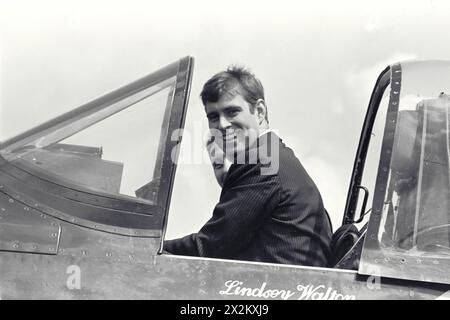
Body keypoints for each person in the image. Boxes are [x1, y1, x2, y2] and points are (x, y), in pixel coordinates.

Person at [164, 66, 332, 267]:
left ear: (259, 111)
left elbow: (209, 246)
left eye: (232, 111)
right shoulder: (273, 154)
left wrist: (149, 248)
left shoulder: (261, 162)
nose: (223, 124)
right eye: (213, 117)